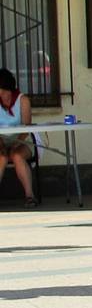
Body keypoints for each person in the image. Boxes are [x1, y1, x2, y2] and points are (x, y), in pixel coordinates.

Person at [0, 67, 37, 206]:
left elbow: (26, 128)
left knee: (17, 155)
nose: (2, 95)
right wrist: (2, 144)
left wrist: (16, 143)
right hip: (1, 142)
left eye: (3, 91)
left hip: (21, 141)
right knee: (2, 157)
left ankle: (30, 196)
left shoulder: (23, 100)